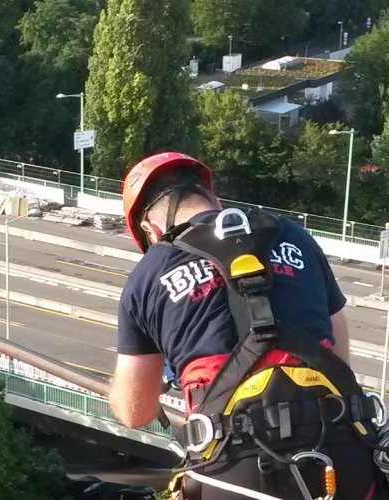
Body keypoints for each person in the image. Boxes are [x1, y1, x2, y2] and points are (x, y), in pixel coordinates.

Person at [110, 152, 349, 428]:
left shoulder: (146, 275)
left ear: (150, 230)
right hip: (332, 436)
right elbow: (339, 357)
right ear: (217, 202)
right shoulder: (294, 236)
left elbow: (134, 412)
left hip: (235, 456)